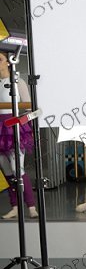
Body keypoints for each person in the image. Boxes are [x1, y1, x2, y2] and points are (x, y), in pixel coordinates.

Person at [0, 51, 38, 220]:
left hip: (13, 128)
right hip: (0, 131)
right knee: (6, 170)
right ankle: (15, 206)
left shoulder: (18, 81)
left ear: (8, 62)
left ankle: (31, 206)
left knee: (18, 169)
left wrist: (18, 122)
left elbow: (32, 110)